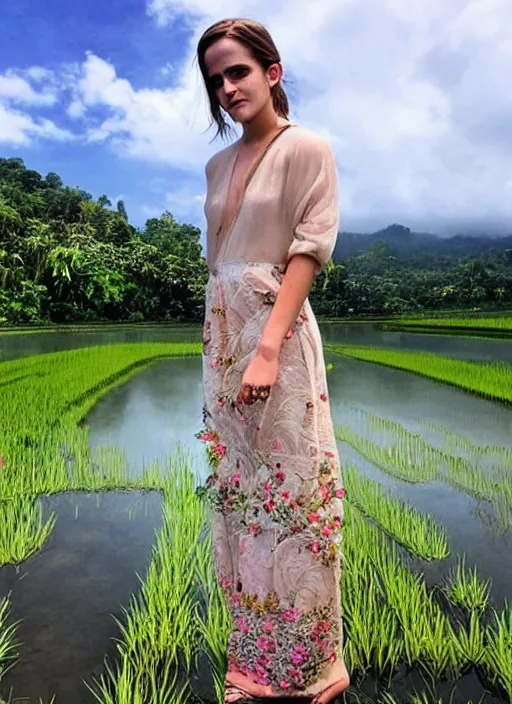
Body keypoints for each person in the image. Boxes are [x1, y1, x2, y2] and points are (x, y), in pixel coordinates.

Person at [195, 17, 350, 704]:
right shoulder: (215, 165)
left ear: (271, 72)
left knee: (296, 497)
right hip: (223, 341)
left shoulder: (306, 147)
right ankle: (257, 666)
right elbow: (220, 263)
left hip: (275, 341)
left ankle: (315, 669)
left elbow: (308, 248)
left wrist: (265, 346)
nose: (227, 88)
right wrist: (226, 346)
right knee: (241, 502)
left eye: (238, 72)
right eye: (216, 80)